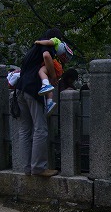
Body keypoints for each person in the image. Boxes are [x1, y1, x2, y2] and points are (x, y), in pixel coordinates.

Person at [15, 28, 63, 177]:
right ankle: (38, 168)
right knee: (40, 129)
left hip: (20, 90)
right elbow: (47, 56)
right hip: (33, 90)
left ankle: (27, 168)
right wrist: (53, 76)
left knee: (24, 130)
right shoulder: (47, 47)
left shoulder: (31, 50)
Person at [34, 38, 73, 115]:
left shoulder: (56, 41)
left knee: (41, 71)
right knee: (50, 87)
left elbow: (48, 42)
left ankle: (45, 84)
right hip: (58, 68)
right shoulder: (59, 56)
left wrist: (38, 42)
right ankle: (49, 102)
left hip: (55, 65)